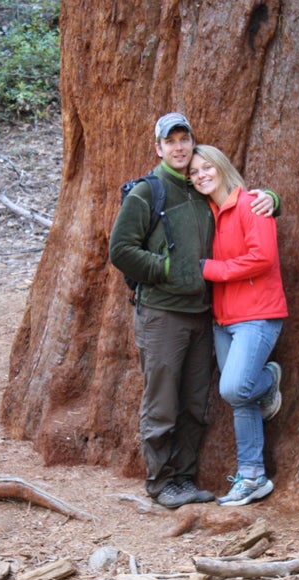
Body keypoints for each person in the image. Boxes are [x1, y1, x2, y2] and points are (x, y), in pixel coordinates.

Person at [109, 113, 279, 509]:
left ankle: (184, 478)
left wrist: (271, 198)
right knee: (162, 402)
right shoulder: (148, 193)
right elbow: (121, 250)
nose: (180, 148)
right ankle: (161, 482)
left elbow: (237, 203)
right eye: (171, 142)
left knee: (195, 402)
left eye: (185, 140)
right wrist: (167, 269)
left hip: (205, 314)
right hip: (162, 315)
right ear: (159, 148)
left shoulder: (198, 188)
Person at [188, 144, 288, 506]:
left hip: (258, 316)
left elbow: (263, 258)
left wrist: (209, 269)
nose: (201, 175)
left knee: (235, 388)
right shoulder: (206, 213)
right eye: (194, 172)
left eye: (206, 167)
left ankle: (269, 379)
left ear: (221, 166)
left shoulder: (251, 204)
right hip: (222, 320)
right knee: (241, 400)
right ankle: (252, 476)